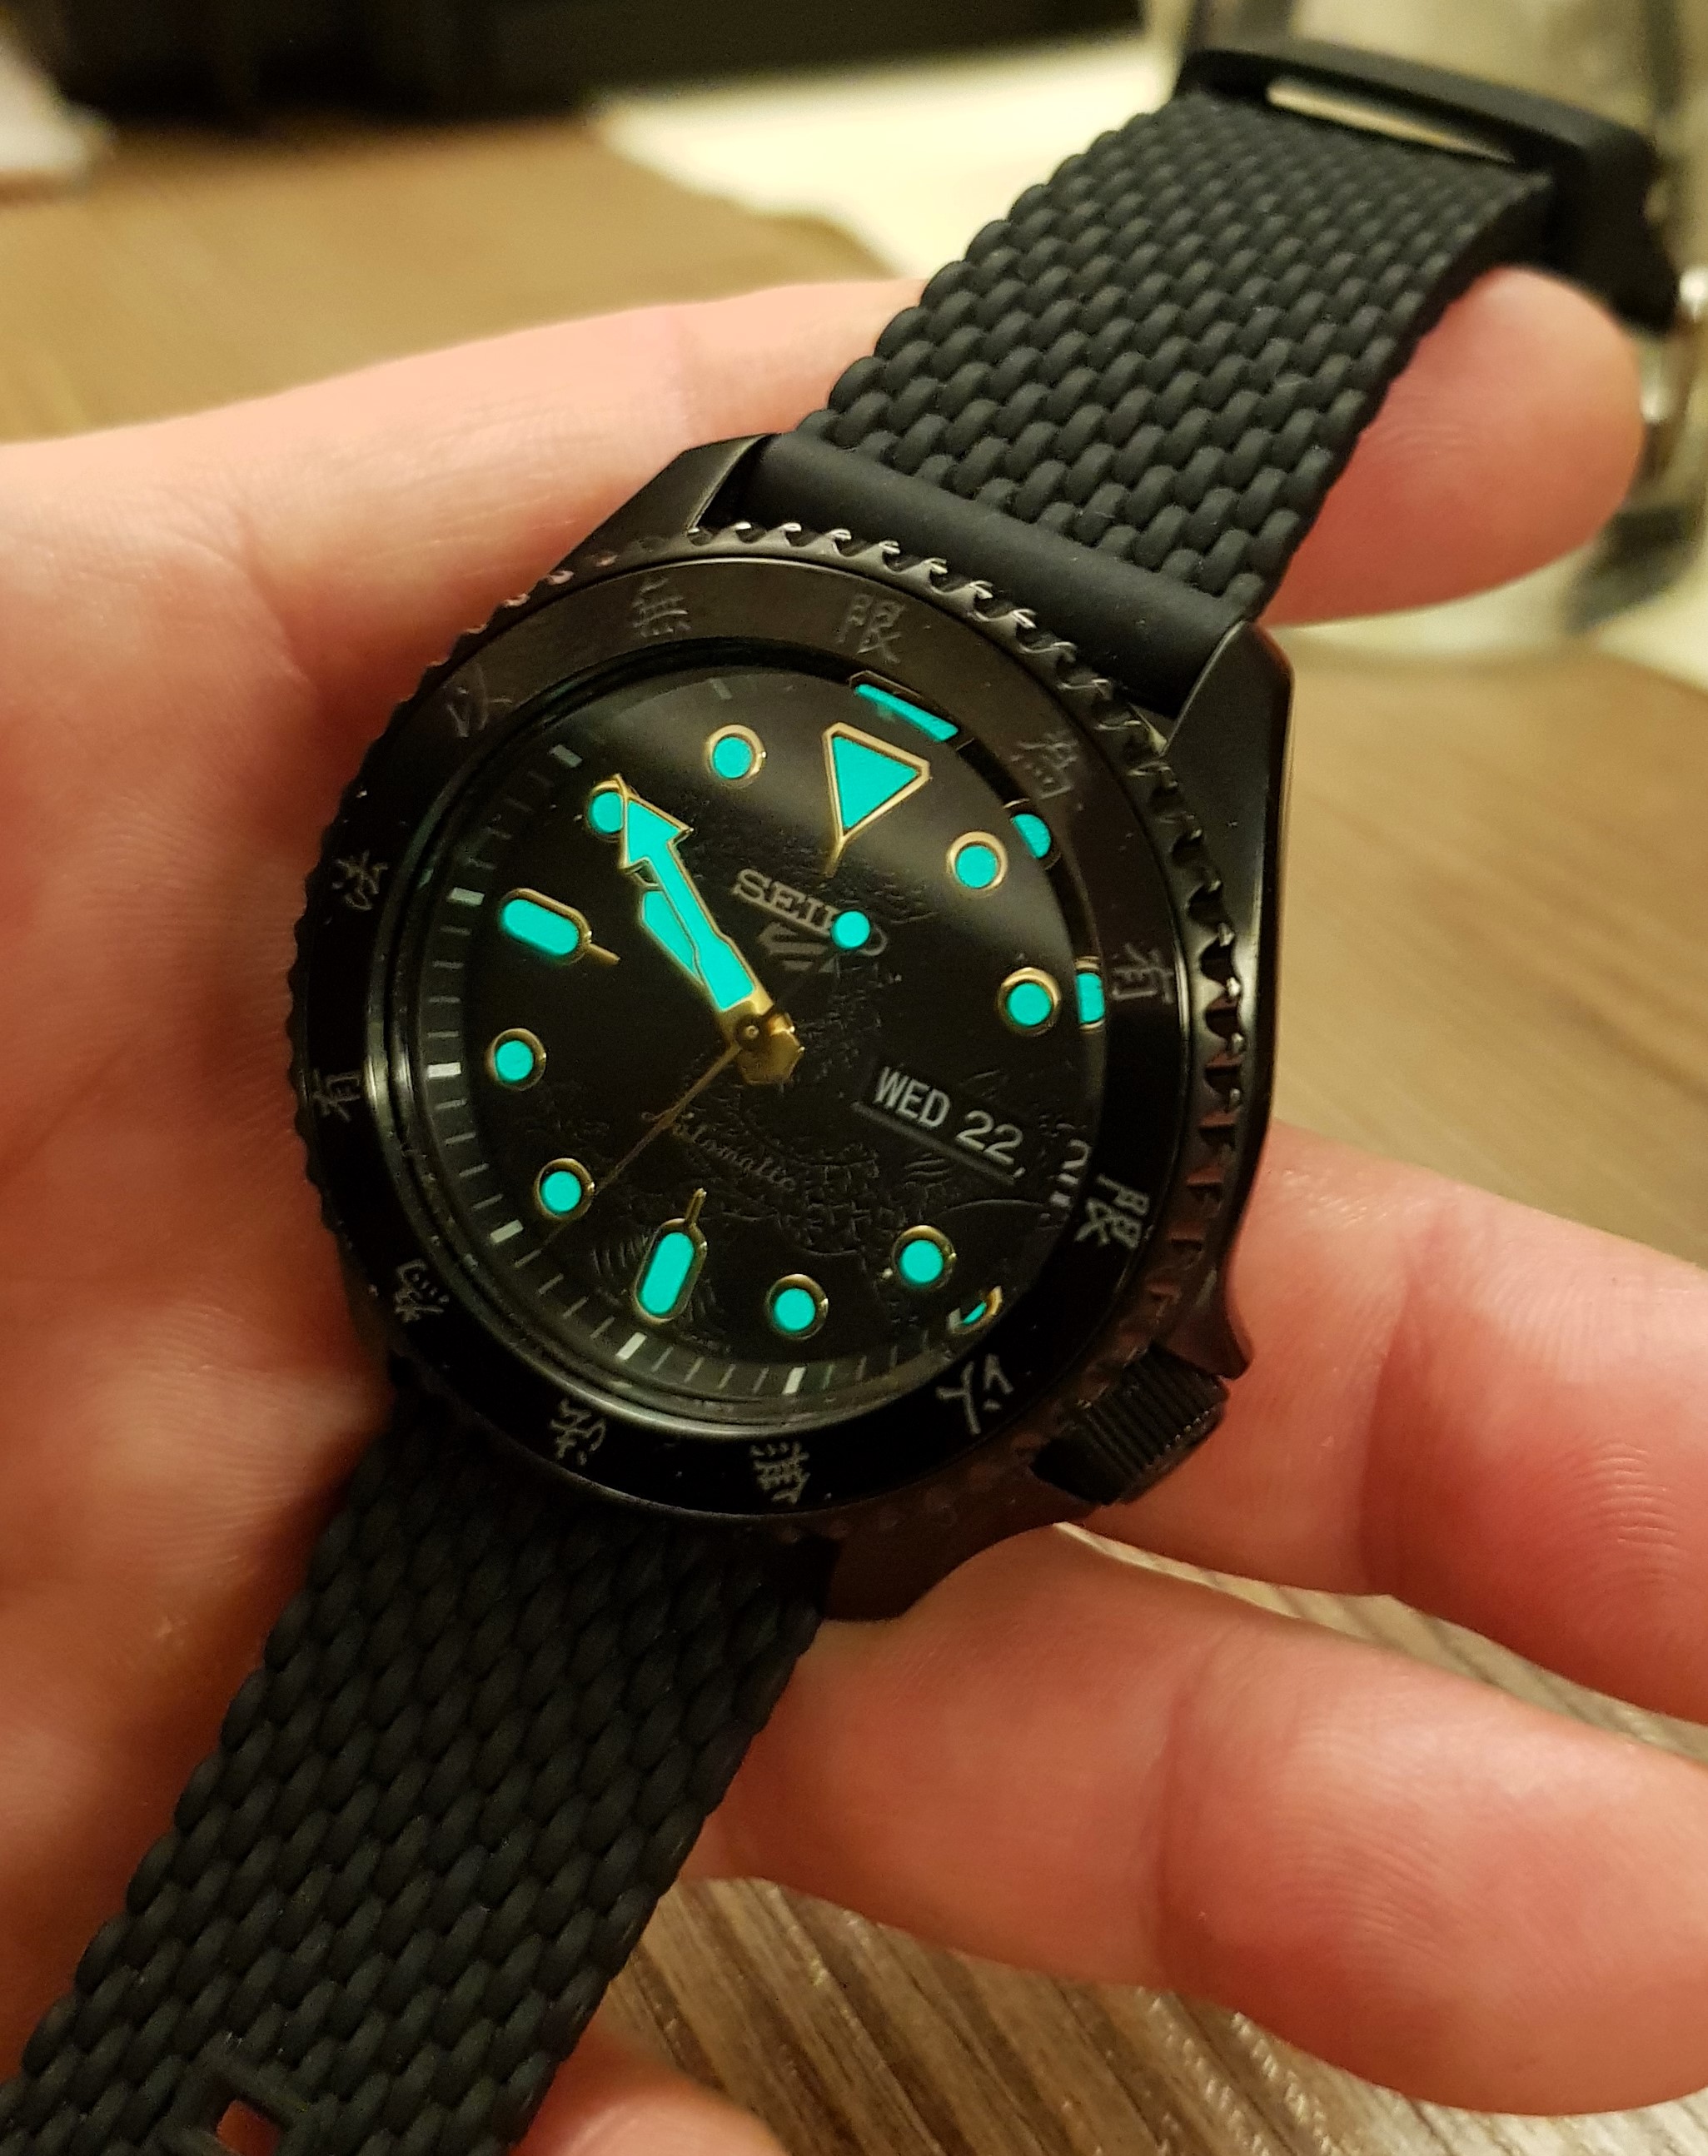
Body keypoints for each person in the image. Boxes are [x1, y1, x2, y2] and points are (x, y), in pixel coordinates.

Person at [0, 266, 1701, 2154]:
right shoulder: (676, 679)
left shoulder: (781, 674)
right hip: (506, 1388)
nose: (759, 1027)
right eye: (750, 1011)